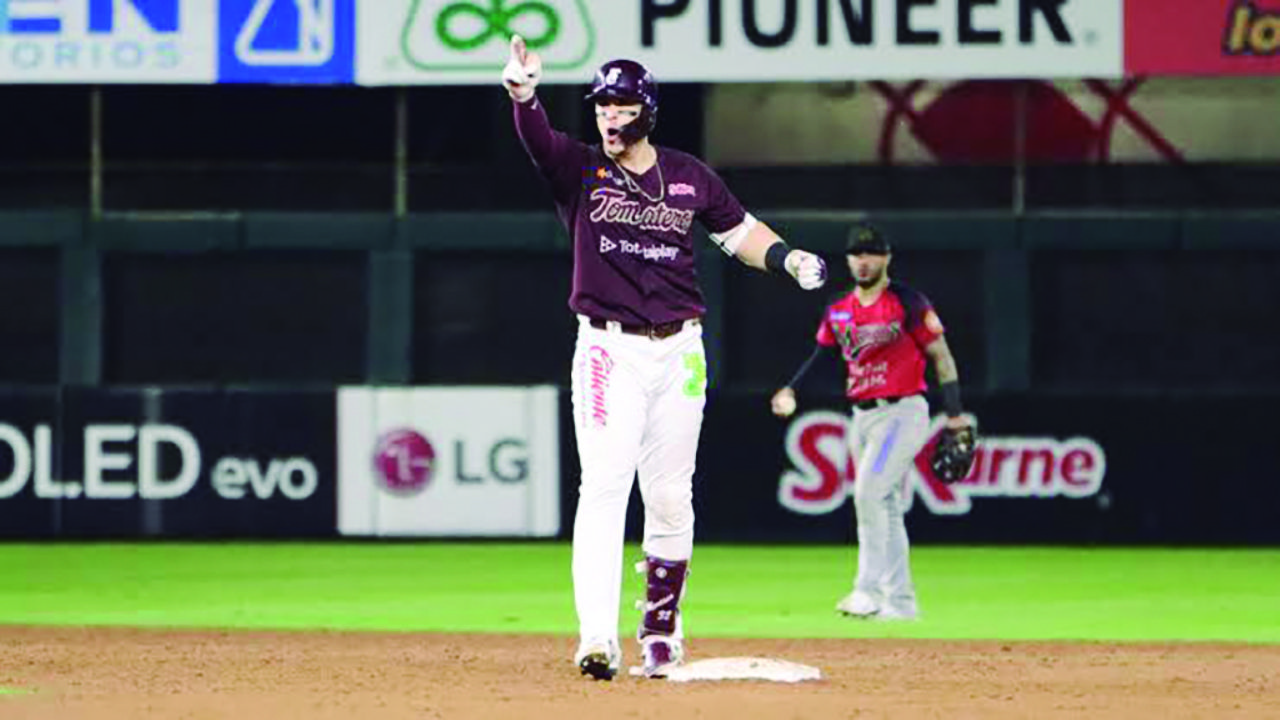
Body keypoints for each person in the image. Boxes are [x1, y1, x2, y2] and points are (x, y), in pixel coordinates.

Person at [501, 36, 827, 680]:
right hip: (606, 347)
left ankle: (660, 629)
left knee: (672, 495)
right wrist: (523, 93)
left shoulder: (688, 175)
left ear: (646, 110)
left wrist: (788, 257)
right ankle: (597, 640)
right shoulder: (581, 170)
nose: (608, 117)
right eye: (601, 106)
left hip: (679, 348)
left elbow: (740, 233)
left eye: (620, 106)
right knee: (602, 488)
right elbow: (538, 140)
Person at [770, 223, 972, 620]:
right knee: (887, 504)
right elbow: (822, 353)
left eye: (872, 254)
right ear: (848, 260)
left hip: (902, 412)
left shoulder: (907, 302)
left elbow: (942, 356)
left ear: (887, 257)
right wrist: (791, 388)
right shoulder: (838, 308)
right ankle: (900, 603)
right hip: (861, 417)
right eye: (857, 254)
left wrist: (954, 415)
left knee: (868, 493)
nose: (864, 261)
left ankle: (865, 591)